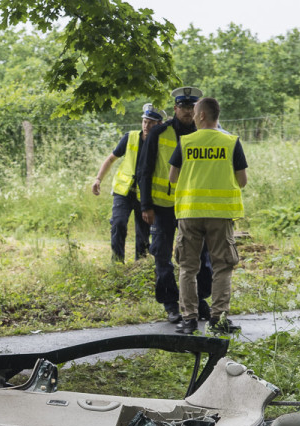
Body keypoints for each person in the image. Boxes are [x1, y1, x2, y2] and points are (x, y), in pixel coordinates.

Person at [168, 97, 248, 336]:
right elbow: (242, 181)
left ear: (202, 115)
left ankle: (189, 320)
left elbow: (172, 178)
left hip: (190, 213)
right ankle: (218, 318)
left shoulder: (186, 142)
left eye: (195, 112)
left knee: (187, 267)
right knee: (222, 267)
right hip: (221, 215)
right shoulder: (231, 142)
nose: (192, 115)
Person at [139, 86, 212, 324]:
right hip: (162, 206)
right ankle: (171, 304)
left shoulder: (205, 134)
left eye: (192, 107)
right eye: (183, 107)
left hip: (193, 205)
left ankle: (199, 300)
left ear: (198, 109)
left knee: (199, 256)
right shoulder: (159, 132)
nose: (188, 111)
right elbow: (145, 170)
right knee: (162, 254)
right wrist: (145, 205)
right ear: (175, 108)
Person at [92, 103, 164, 262]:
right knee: (118, 224)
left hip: (144, 194)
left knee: (143, 232)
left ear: (159, 124)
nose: (146, 125)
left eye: (151, 122)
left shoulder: (161, 143)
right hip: (123, 191)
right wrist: (98, 179)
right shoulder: (130, 137)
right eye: (145, 121)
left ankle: (141, 266)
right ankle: (117, 263)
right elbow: (111, 159)